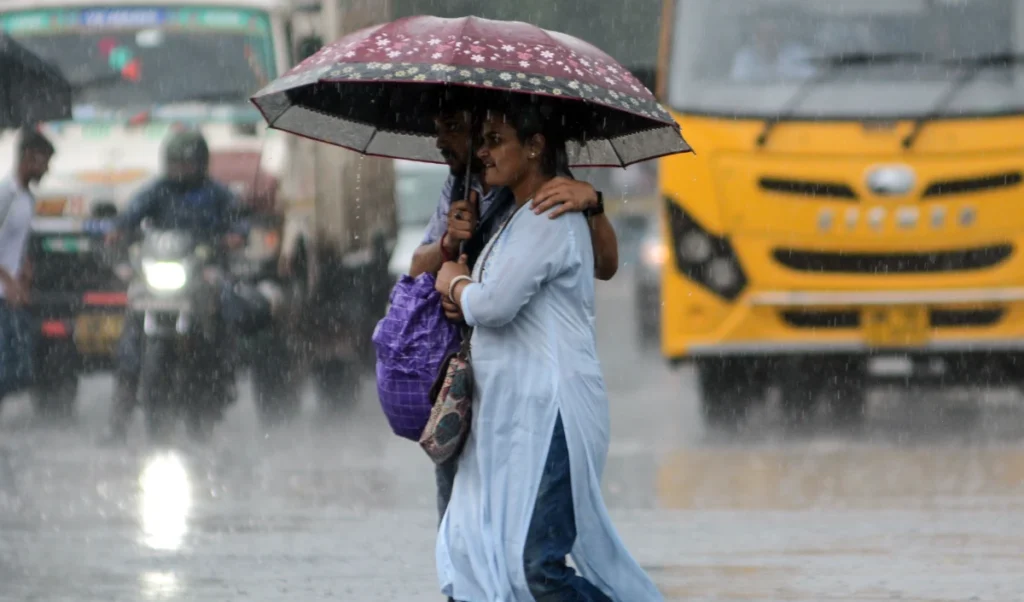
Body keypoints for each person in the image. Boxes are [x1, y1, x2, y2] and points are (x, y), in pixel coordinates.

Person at [434, 98, 661, 601]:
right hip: (504, 414)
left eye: (495, 141)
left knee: (535, 567)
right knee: (486, 556)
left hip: (550, 410)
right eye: (481, 140)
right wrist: (453, 257)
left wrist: (455, 285)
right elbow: (460, 287)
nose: (482, 151)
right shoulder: (502, 210)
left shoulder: (552, 211)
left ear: (535, 146)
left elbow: (494, 304)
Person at [411, 96, 620, 532]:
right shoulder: (458, 186)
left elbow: (603, 265)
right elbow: (418, 267)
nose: (441, 141)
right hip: (468, 380)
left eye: (454, 128)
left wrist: (593, 203)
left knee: (522, 540)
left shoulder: (545, 196)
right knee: (464, 528)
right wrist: (450, 245)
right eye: (439, 130)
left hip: (523, 389)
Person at [101, 130, 247, 443]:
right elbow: (131, 214)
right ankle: (118, 419)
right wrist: (118, 230)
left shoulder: (217, 194)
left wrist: (235, 235)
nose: (180, 168)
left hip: (203, 270)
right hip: (159, 272)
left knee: (226, 303)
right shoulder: (157, 191)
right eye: (175, 162)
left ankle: (223, 373)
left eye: (186, 162)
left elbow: (239, 220)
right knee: (132, 329)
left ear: (201, 163)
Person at [0, 130, 54, 405]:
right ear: (29, 157)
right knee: (7, 370)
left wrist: (25, 273)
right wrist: (8, 281)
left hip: (13, 297)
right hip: (3, 294)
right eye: (44, 161)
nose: (47, 169)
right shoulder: (5, 195)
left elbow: (19, 244)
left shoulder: (26, 199)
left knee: (20, 371)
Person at [730, 15, 816, 83]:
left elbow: (812, 79)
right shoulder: (745, 57)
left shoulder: (797, 54)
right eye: (763, 35)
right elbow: (738, 82)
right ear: (755, 37)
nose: (768, 40)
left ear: (781, 36)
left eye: (773, 34)